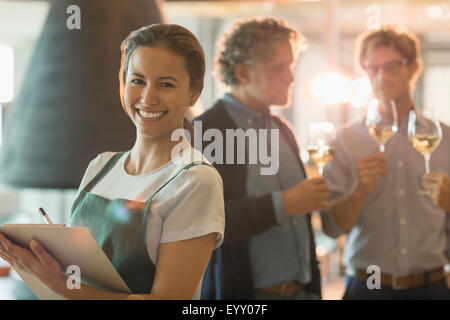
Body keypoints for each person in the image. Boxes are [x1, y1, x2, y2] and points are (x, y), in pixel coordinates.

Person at [0, 24, 225, 300]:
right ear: (123, 82)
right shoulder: (100, 167)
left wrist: (61, 286)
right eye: (138, 81)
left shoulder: (195, 181)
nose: (148, 98)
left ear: (194, 92)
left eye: (166, 84)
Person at [196, 18, 328, 300]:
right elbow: (204, 224)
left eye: (291, 65)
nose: (291, 77)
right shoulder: (207, 132)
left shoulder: (283, 129)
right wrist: (286, 203)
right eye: (279, 68)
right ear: (243, 72)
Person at [321, 25, 450, 299]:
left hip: (432, 286)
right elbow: (331, 228)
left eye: (391, 67)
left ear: (413, 68)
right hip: (368, 286)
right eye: (372, 69)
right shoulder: (345, 140)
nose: (381, 77)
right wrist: (359, 191)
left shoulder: (443, 138)